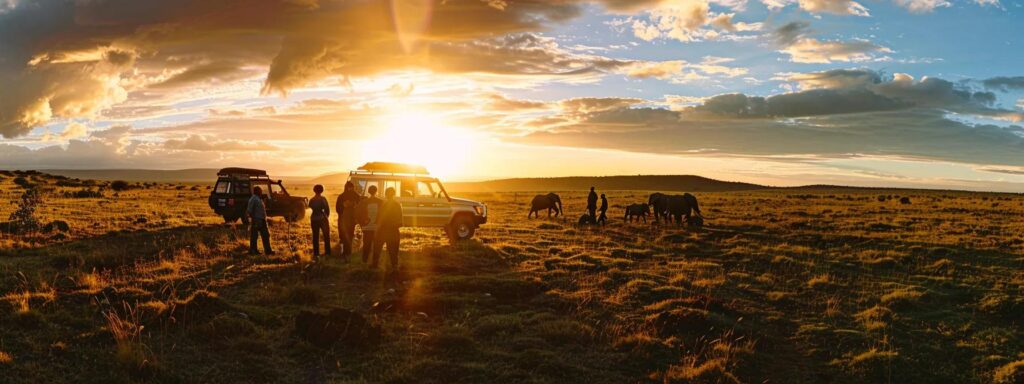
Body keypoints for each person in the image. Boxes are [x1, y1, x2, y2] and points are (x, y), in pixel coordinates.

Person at [373, 187, 403, 275]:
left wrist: (376, 230)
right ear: (394, 194)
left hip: (383, 230)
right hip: (393, 230)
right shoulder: (397, 205)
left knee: (377, 248)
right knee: (394, 250)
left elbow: (379, 219)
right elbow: (400, 221)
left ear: (386, 194)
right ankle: (394, 267)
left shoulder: (383, 204)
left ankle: (375, 265)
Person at [355, 185, 383, 264]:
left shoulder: (364, 202)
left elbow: (358, 214)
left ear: (368, 191)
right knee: (377, 246)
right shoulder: (381, 202)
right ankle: (375, 262)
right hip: (377, 228)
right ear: (376, 191)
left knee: (366, 246)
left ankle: (364, 261)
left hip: (367, 228)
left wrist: (362, 225)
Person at [336, 181, 361, 260]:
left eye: (352, 187)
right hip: (346, 218)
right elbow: (338, 208)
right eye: (350, 187)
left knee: (348, 234)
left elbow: (359, 207)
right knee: (345, 235)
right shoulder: (355, 196)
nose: (351, 189)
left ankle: (347, 252)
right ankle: (346, 252)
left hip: (348, 219)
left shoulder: (344, 196)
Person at [247, 186, 273, 255]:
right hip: (256, 220)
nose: (261, 192)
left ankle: (268, 251)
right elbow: (249, 210)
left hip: (262, 220)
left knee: (265, 235)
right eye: (260, 191)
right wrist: (251, 220)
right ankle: (253, 251)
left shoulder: (258, 199)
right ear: (257, 191)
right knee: (254, 236)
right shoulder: (253, 199)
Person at [308, 184, 330, 261]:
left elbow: (309, 209)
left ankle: (316, 254)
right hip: (322, 219)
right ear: (322, 190)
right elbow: (327, 209)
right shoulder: (323, 199)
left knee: (315, 237)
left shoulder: (311, 200)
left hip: (313, 219)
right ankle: (327, 252)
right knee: (326, 236)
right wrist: (326, 217)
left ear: (314, 190)